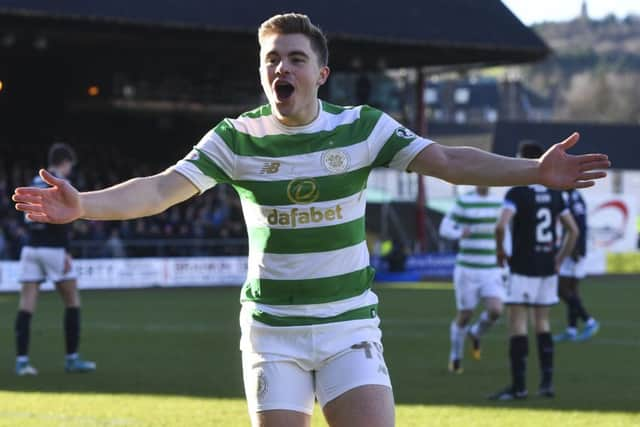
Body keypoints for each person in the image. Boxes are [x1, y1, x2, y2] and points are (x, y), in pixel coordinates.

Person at [12, 13, 609, 427]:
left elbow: (450, 160)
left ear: (320, 74)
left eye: (296, 58)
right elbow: (163, 188)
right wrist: (84, 204)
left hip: (348, 324)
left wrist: (534, 172)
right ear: (262, 72)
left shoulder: (362, 127)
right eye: (272, 59)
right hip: (273, 334)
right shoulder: (236, 138)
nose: (282, 67)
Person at [489, 142, 580, 401]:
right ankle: (547, 385)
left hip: (522, 266)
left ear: (525, 161)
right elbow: (573, 231)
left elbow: (500, 226)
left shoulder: (517, 192)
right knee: (543, 323)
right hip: (547, 267)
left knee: (517, 324)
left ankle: (518, 388)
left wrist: (500, 251)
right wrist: (559, 259)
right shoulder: (554, 193)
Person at [14, 142, 96, 376]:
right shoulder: (59, 184)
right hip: (54, 248)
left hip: (30, 248)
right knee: (72, 301)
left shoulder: (33, 182)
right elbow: (64, 221)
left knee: (26, 305)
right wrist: (66, 251)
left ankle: (22, 362)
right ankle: (72, 359)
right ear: (66, 162)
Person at [439, 185, 504, 374]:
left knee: (496, 310)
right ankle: (455, 357)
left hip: (491, 268)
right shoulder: (464, 201)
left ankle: (476, 333)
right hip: (467, 269)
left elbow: (503, 232)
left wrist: (505, 257)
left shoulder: (498, 203)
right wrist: (459, 233)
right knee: (465, 315)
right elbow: (445, 227)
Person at [554, 189, 600, 342]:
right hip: (572, 248)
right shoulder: (572, 197)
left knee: (561, 289)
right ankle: (572, 329)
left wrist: (576, 249)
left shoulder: (574, 199)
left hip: (573, 250)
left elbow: (579, 226)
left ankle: (589, 321)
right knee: (572, 290)